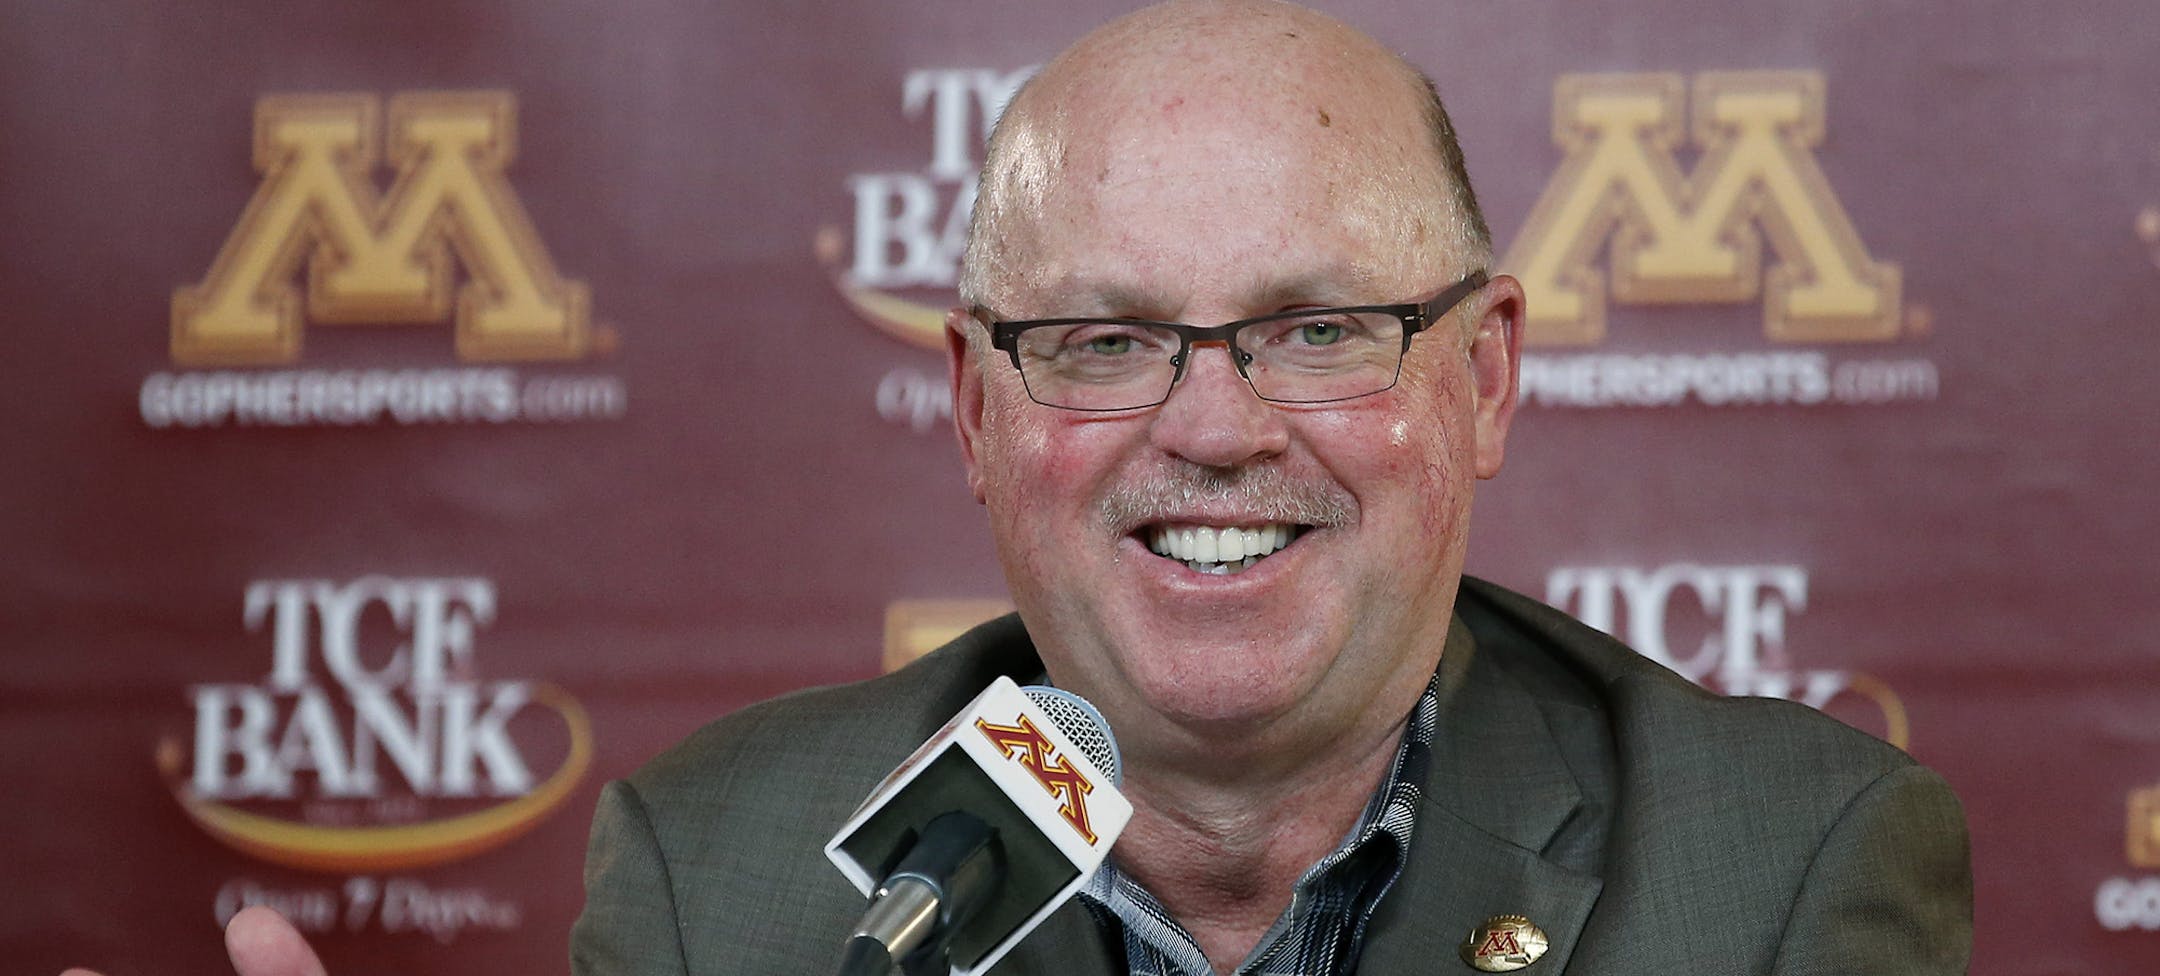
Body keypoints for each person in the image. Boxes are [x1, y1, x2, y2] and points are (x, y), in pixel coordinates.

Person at [78, 2, 1971, 974]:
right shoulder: (722, 883)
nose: (1214, 430)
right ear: (976, 414)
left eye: (1316, 328)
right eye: (1101, 340)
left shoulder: (1782, 869)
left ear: (1481, 382)